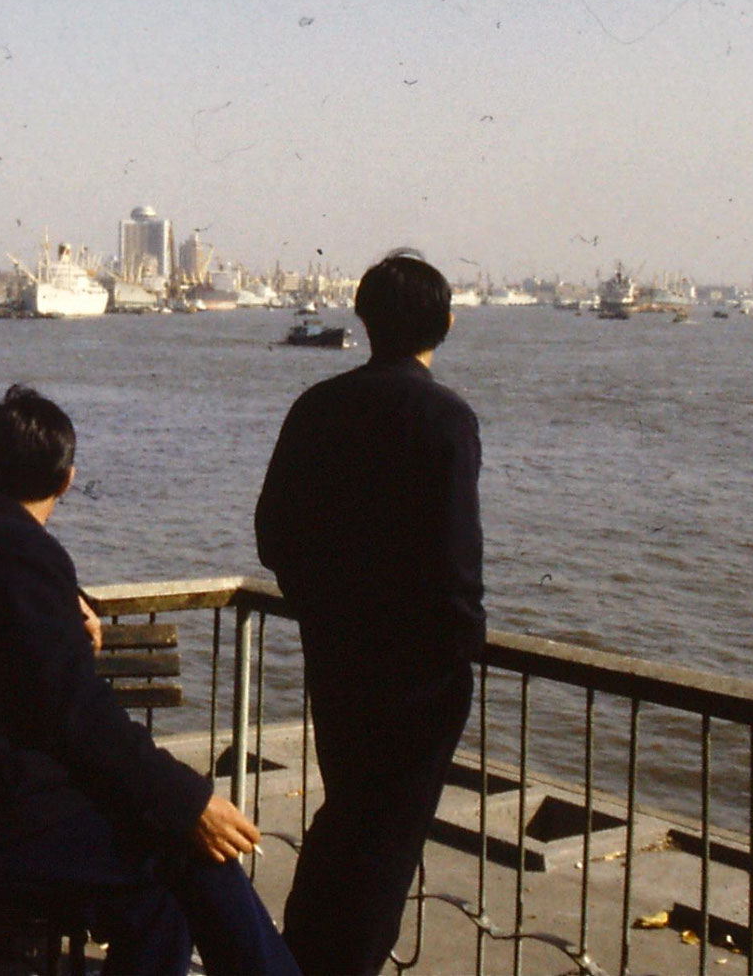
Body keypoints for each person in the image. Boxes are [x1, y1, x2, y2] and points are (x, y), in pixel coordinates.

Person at [0, 386, 298, 976]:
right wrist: (189, 800)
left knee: (157, 904)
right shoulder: (27, 555)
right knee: (189, 849)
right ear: (67, 480)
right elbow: (78, 713)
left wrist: (69, 618)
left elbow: (10, 648)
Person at [255, 252, 485, 975]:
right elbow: (456, 555)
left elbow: (273, 533)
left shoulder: (316, 407)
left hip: (339, 653)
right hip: (419, 670)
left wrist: (320, 602)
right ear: (445, 325)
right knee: (388, 838)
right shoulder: (446, 418)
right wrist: (461, 644)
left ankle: (300, 956)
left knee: (346, 816)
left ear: (363, 317)